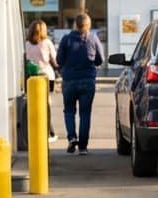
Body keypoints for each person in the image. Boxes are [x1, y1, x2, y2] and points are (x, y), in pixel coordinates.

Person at [56, 13, 104, 154]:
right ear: (88, 26)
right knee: (85, 113)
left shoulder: (66, 39)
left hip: (69, 80)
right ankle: (83, 147)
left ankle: (72, 138)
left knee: (69, 111)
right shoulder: (93, 38)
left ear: (75, 25)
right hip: (88, 80)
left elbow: (59, 60)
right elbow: (100, 60)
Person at [25, 19, 58, 142]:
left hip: (31, 76)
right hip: (46, 75)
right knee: (46, 104)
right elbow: (55, 60)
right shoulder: (47, 42)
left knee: (33, 104)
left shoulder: (26, 44)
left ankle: (36, 130)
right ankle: (50, 132)